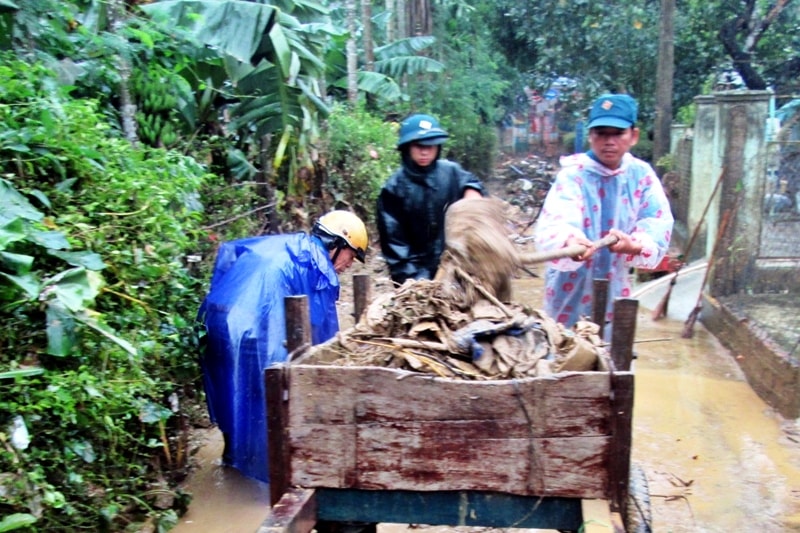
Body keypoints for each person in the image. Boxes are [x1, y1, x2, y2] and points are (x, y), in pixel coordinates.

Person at [197, 210, 368, 482]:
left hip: (215, 323)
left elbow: (229, 257)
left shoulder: (286, 244)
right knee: (269, 403)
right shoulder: (318, 267)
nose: (350, 265)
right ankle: (267, 484)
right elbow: (322, 336)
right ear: (337, 245)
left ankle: (232, 466)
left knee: (233, 395)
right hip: (251, 332)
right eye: (352, 256)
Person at [534, 94, 674, 328]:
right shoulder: (572, 175)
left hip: (616, 288)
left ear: (633, 136)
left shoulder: (641, 176)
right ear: (591, 136)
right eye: (601, 133)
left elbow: (656, 224)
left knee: (612, 355)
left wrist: (633, 244)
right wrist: (570, 241)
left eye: (618, 133)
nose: (609, 141)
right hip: (568, 290)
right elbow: (555, 223)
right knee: (565, 351)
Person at [376, 113, 485, 286]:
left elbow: (471, 182)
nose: (425, 151)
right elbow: (396, 247)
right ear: (407, 147)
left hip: (457, 270)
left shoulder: (451, 173)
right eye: (419, 146)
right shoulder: (393, 189)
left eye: (431, 146)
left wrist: (472, 190)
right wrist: (421, 284)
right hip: (413, 279)